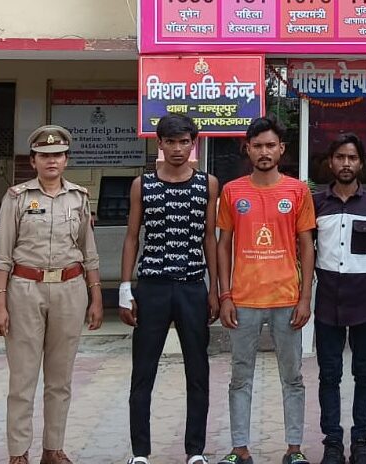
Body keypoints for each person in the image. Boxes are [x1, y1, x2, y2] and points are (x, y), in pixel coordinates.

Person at [0, 125, 104, 464]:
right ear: (33, 161)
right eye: (44, 155)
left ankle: (53, 448)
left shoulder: (79, 198)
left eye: (58, 155)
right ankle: (18, 452)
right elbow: (2, 254)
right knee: (22, 378)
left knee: (60, 378)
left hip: (70, 289)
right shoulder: (16, 198)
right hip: (25, 289)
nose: (51, 161)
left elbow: (89, 252)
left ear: (66, 159)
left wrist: (96, 297)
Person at [119, 114, 220, 464]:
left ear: (194, 143)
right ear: (159, 143)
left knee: (198, 371)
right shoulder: (142, 185)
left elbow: (209, 238)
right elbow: (132, 237)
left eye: (184, 142)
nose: (178, 149)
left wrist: (215, 289)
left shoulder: (208, 184)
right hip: (152, 286)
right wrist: (125, 289)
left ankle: (195, 450)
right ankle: (140, 453)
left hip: (192, 286)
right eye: (171, 142)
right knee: (143, 371)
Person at [216, 116, 316, 464]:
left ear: (281, 149)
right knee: (240, 376)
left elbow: (307, 245)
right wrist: (225, 295)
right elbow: (223, 245)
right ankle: (239, 449)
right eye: (257, 146)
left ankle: (294, 449)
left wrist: (305, 297)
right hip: (243, 299)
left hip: (287, 299)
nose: (264, 152)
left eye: (270, 145)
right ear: (247, 149)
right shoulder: (232, 191)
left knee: (293, 377)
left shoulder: (297, 191)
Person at [312, 133, 366, 464]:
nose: (346, 163)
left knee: (365, 374)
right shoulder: (316, 204)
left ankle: (361, 441)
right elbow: (305, 251)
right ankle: (333, 443)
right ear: (330, 162)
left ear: (361, 163)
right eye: (340, 157)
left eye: (352, 158)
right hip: (327, 303)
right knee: (329, 375)